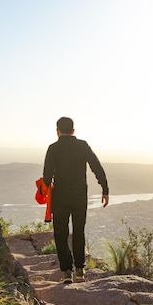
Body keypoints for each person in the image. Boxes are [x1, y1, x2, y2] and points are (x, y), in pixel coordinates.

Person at [42, 117, 109, 284]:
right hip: (80, 195)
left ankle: (66, 271)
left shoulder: (53, 148)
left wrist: (47, 183)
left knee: (61, 233)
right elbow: (96, 167)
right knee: (79, 230)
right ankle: (80, 269)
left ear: (57, 131)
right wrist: (105, 189)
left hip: (60, 196)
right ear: (73, 130)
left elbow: (46, 176)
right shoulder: (82, 145)